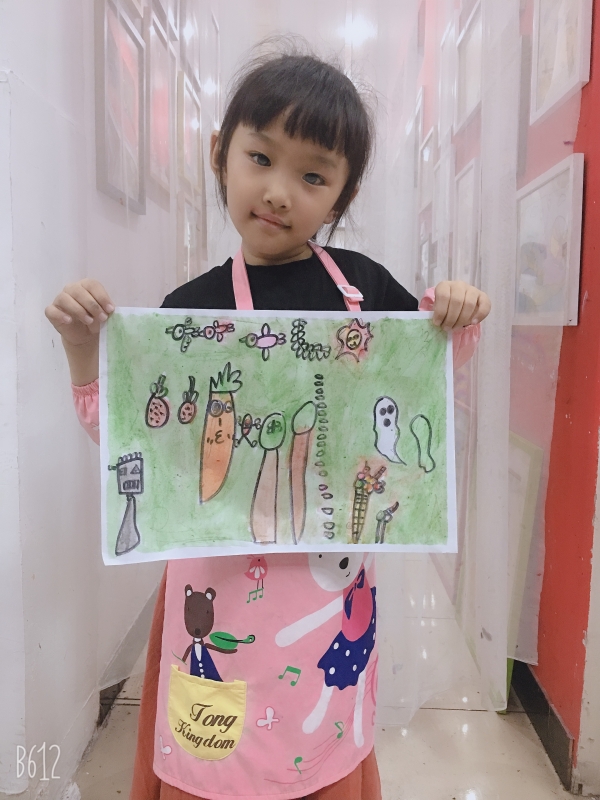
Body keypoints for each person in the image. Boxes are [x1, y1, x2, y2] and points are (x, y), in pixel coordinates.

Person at [45, 47, 490, 800]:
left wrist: (456, 316)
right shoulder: (189, 308)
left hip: (327, 587)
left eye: (314, 176)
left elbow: (423, 385)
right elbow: (130, 441)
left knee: (320, 737)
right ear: (221, 155)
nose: (279, 192)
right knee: (212, 742)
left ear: (343, 194)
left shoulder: (364, 290)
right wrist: (82, 347)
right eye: (260, 158)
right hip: (217, 590)